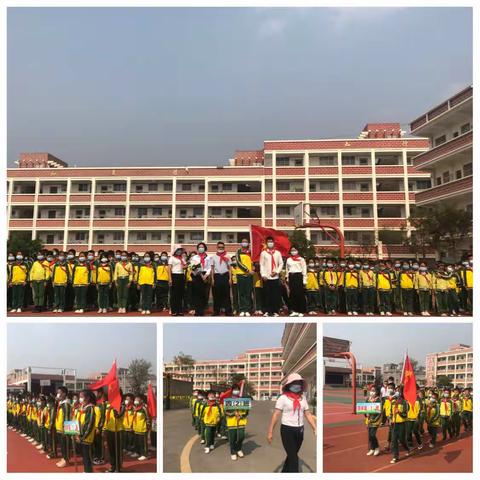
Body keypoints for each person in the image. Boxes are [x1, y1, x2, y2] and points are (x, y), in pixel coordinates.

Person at [267, 373, 316, 473]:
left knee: (292, 455)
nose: (297, 385)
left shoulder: (303, 398)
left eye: (299, 383)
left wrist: (315, 428)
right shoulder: (283, 398)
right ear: (289, 385)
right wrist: (270, 432)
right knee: (294, 460)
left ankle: (284, 472)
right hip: (287, 431)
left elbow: (308, 414)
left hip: (300, 430)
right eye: (294, 383)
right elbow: (276, 415)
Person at [260, 237, 284, 316]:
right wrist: (263, 274)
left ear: (274, 242)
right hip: (266, 277)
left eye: (271, 241)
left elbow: (281, 264)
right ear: (266, 243)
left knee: (275, 295)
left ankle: (275, 311)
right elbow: (261, 264)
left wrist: (276, 272)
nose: (270, 243)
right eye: (268, 242)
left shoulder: (277, 253)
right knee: (266, 295)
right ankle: (267, 311)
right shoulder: (263, 253)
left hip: (275, 277)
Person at [224, 384, 249, 461]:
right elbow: (225, 412)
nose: (236, 391)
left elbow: (247, 412)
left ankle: (238, 449)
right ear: (232, 391)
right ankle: (233, 452)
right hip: (232, 422)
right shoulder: (228, 400)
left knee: (241, 436)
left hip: (241, 421)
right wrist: (232, 413)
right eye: (235, 389)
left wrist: (241, 415)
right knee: (232, 438)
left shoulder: (243, 400)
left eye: (237, 389)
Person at [49, 386, 72, 468]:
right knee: (62, 445)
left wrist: (65, 429)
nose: (58, 394)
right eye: (57, 393)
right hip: (59, 428)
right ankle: (64, 458)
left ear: (64, 393)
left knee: (65, 445)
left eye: (59, 393)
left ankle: (66, 460)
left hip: (63, 429)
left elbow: (66, 417)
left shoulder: (66, 404)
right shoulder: (60, 403)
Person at [75, 390, 96, 473]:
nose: (80, 399)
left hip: (86, 437)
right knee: (84, 456)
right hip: (79, 436)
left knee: (87, 457)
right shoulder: (81, 407)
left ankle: (89, 472)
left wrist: (82, 437)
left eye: (82, 397)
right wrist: (74, 432)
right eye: (79, 397)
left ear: (88, 398)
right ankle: (86, 471)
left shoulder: (90, 409)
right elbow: (76, 420)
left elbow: (89, 425)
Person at [103, 396, 125, 472]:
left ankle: (118, 467)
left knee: (118, 450)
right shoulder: (108, 406)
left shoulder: (122, 406)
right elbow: (105, 417)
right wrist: (104, 428)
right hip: (109, 429)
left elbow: (118, 416)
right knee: (111, 450)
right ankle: (113, 466)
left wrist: (116, 410)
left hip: (118, 430)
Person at [389, 388, 410, 464]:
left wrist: (399, 412)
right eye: (396, 391)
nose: (397, 393)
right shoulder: (393, 402)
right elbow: (391, 412)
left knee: (401, 440)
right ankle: (395, 456)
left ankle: (407, 448)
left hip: (402, 423)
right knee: (394, 440)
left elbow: (405, 414)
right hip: (394, 424)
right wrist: (390, 419)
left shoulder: (405, 403)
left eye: (399, 391)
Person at [190, 242, 212, 316]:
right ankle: (197, 311)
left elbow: (209, 268)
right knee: (196, 294)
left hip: (205, 276)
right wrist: (200, 275)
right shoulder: (194, 257)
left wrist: (206, 275)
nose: (201, 248)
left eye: (202, 247)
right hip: (197, 276)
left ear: (205, 248)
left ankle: (202, 310)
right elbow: (192, 267)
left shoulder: (208, 257)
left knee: (203, 294)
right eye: (199, 247)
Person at [211, 242, 233, 316]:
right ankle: (216, 311)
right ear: (217, 247)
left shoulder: (227, 256)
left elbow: (230, 268)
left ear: (224, 247)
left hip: (225, 276)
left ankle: (228, 311)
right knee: (216, 294)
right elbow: (212, 268)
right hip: (217, 276)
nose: (221, 248)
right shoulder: (213, 257)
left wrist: (230, 278)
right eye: (219, 247)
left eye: (222, 247)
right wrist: (212, 279)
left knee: (226, 294)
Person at [285, 246, 307, 317]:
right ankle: (294, 310)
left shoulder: (301, 259)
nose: (293, 251)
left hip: (298, 276)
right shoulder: (289, 259)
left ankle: (301, 310)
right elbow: (287, 269)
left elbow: (304, 270)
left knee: (300, 293)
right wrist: (287, 278)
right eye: (292, 250)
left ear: (297, 250)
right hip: (291, 276)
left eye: (295, 250)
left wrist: (304, 280)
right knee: (292, 294)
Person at [236, 238, 254, 316]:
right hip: (240, 274)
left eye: (246, 242)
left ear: (248, 243)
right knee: (241, 293)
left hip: (249, 275)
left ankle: (248, 309)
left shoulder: (251, 252)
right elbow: (238, 262)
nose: (244, 243)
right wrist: (247, 270)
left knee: (248, 292)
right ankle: (242, 309)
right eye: (243, 242)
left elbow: (254, 261)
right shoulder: (238, 252)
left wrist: (253, 269)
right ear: (241, 243)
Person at [168, 246, 187, 316]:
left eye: (181, 250)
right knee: (174, 294)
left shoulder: (182, 258)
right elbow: (169, 269)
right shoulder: (171, 258)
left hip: (181, 276)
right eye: (178, 250)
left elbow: (185, 266)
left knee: (180, 294)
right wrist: (170, 279)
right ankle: (174, 310)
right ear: (175, 250)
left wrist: (186, 266)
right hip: (174, 275)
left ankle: (179, 310)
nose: (179, 251)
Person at [132, 394, 150, 461]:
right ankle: (138, 453)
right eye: (135, 399)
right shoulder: (135, 408)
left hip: (142, 428)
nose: (135, 401)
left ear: (141, 400)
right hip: (136, 428)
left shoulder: (143, 408)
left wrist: (147, 426)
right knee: (137, 442)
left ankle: (145, 455)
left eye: (137, 399)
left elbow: (147, 417)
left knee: (143, 443)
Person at [364, 386, 381, 456]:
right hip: (369, 419)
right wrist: (366, 414)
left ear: (376, 392)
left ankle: (377, 448)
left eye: (373, 390)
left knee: (372, 435)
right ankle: (372, 448)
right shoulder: (368, 399)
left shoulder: (378, 400)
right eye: (371, 390)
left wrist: (373, 419)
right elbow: (365, 408)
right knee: (369, 435)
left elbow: (379, 411)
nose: (372, 392)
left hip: (375, 419)